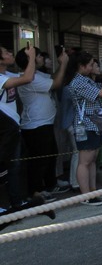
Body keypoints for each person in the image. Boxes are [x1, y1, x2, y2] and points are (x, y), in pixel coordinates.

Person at [64, 51, 102, 205]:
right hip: (86, 125)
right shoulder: (78, 82)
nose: (93, 67)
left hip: (94, 123)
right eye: (90, 65)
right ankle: (86, 195)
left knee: (93, 159)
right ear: (81, 66)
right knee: (85, 161)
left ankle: (93, 191)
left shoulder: (87, 80)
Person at [16, 46, 70, 202]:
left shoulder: (37, 75)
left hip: (44, 123)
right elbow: (56, 84)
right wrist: (63, 64)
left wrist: (60, 66)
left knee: (50, 155)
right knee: (39, 161)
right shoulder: (30, 78)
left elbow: (52, 78)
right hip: (36, 125)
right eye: (39, 56)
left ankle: (50, 184)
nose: (42, 58)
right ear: (31, 60)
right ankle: (36, 191)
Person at [0, 43, 36, 213]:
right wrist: (32, 57)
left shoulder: (7, 75)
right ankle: (13, 203)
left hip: (12, 127)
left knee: (16, 165)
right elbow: (27, 78)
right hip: (4, 129)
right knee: (8, 167)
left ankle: (17, 201)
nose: (10, 53)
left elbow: (30, 75)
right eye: (6, 52)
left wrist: (30, 60)